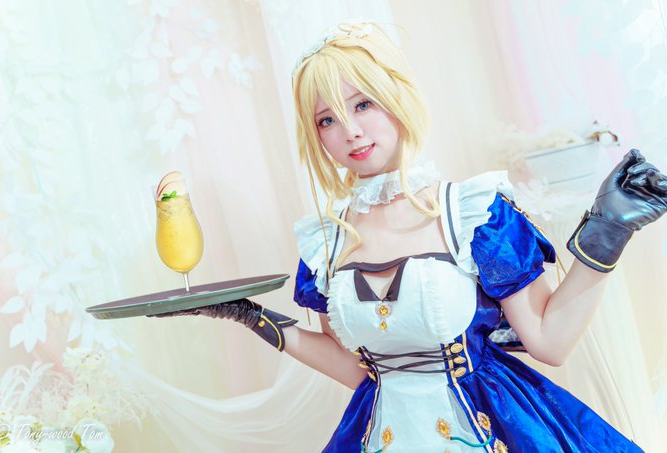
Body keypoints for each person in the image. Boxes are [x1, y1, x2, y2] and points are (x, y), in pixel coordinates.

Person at [153, 21, 667, 452]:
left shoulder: (472, 213)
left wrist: (608, 229)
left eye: (363, 104)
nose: (350, 131)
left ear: (396, 97)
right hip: (384, 433)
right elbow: (358, 372)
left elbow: (550, 342)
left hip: (483, 426)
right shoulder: (326, 242)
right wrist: (252, 317)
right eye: (327, 119)